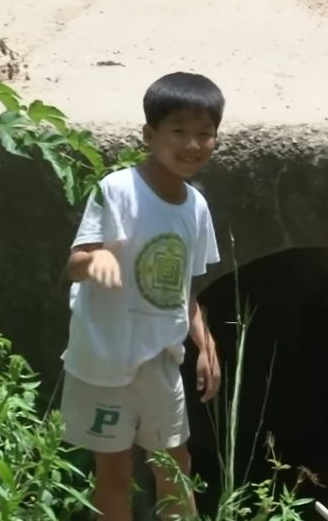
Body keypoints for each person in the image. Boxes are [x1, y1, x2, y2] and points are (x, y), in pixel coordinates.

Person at [60, 71, 225, 520]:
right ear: (149, 135)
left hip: (161, 361)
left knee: (176, 462)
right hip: (106, 362)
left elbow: (184, 291)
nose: (192, 144)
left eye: (204, 134)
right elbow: (75, 263)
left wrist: (205, 346)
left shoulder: (196, 207)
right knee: (113, 471)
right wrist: (96, 263)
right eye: (178, 132)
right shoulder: (117, 190)